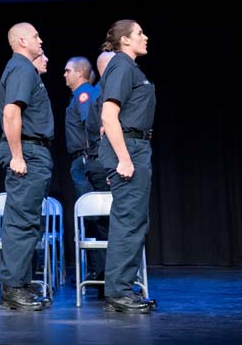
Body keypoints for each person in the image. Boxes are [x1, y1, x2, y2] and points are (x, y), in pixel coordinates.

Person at [99, 20, 157, 313]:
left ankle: (121, 286)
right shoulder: (121, 66)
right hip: (130, 149)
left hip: (135, 147)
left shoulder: (128, 68)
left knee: (134, 220)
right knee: (128, 221)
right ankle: (118, 292)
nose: (145, 37)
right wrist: (122, 158)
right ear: (125, 40)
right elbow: (109, 115)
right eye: (139, 33)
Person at [0, 22, 53, 312]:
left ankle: (19, 282)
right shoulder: (21, 68)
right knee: (21, 222)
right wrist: (17, 155)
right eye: (36, 35)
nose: (41, 40)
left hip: (33, 151)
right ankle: (12, 288)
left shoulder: (26, 69)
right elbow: (11, 112)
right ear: (21, 41)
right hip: (27, 151)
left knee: (29, 221)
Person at [82, 51, 115, 285]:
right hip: (104, 163)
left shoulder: (101, 92)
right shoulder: (102, 93)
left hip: (101, 161)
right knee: (108, 224)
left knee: (107, 224)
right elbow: (104, 130)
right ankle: (110, 279)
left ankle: (110, 279)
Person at [63, 57, 95, 200]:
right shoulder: (78, 95)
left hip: (86, 158)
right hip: (83, 158)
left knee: (91, 210)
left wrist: (89, 157)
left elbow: (90, 124)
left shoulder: (84, 95)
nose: (64, 74)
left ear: (80, 73)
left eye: (67, 71)